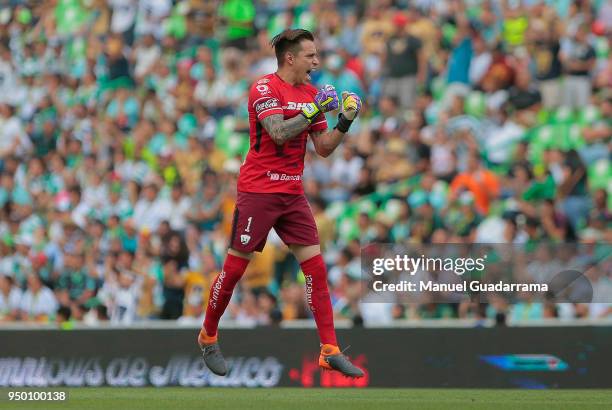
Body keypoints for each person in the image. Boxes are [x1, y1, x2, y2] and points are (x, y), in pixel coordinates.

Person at [197, 28, 364, 378]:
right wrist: (314, 108)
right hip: (258, 192)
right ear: (290, 57)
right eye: (310, 55)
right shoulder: (264, 88)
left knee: (316, 268)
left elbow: (323, 146)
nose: (316, 61)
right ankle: (208, 335)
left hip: (291, 193)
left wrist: (345, 120)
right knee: (235, 271)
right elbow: (278, 133)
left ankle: (329, 349)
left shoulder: (310, 92)